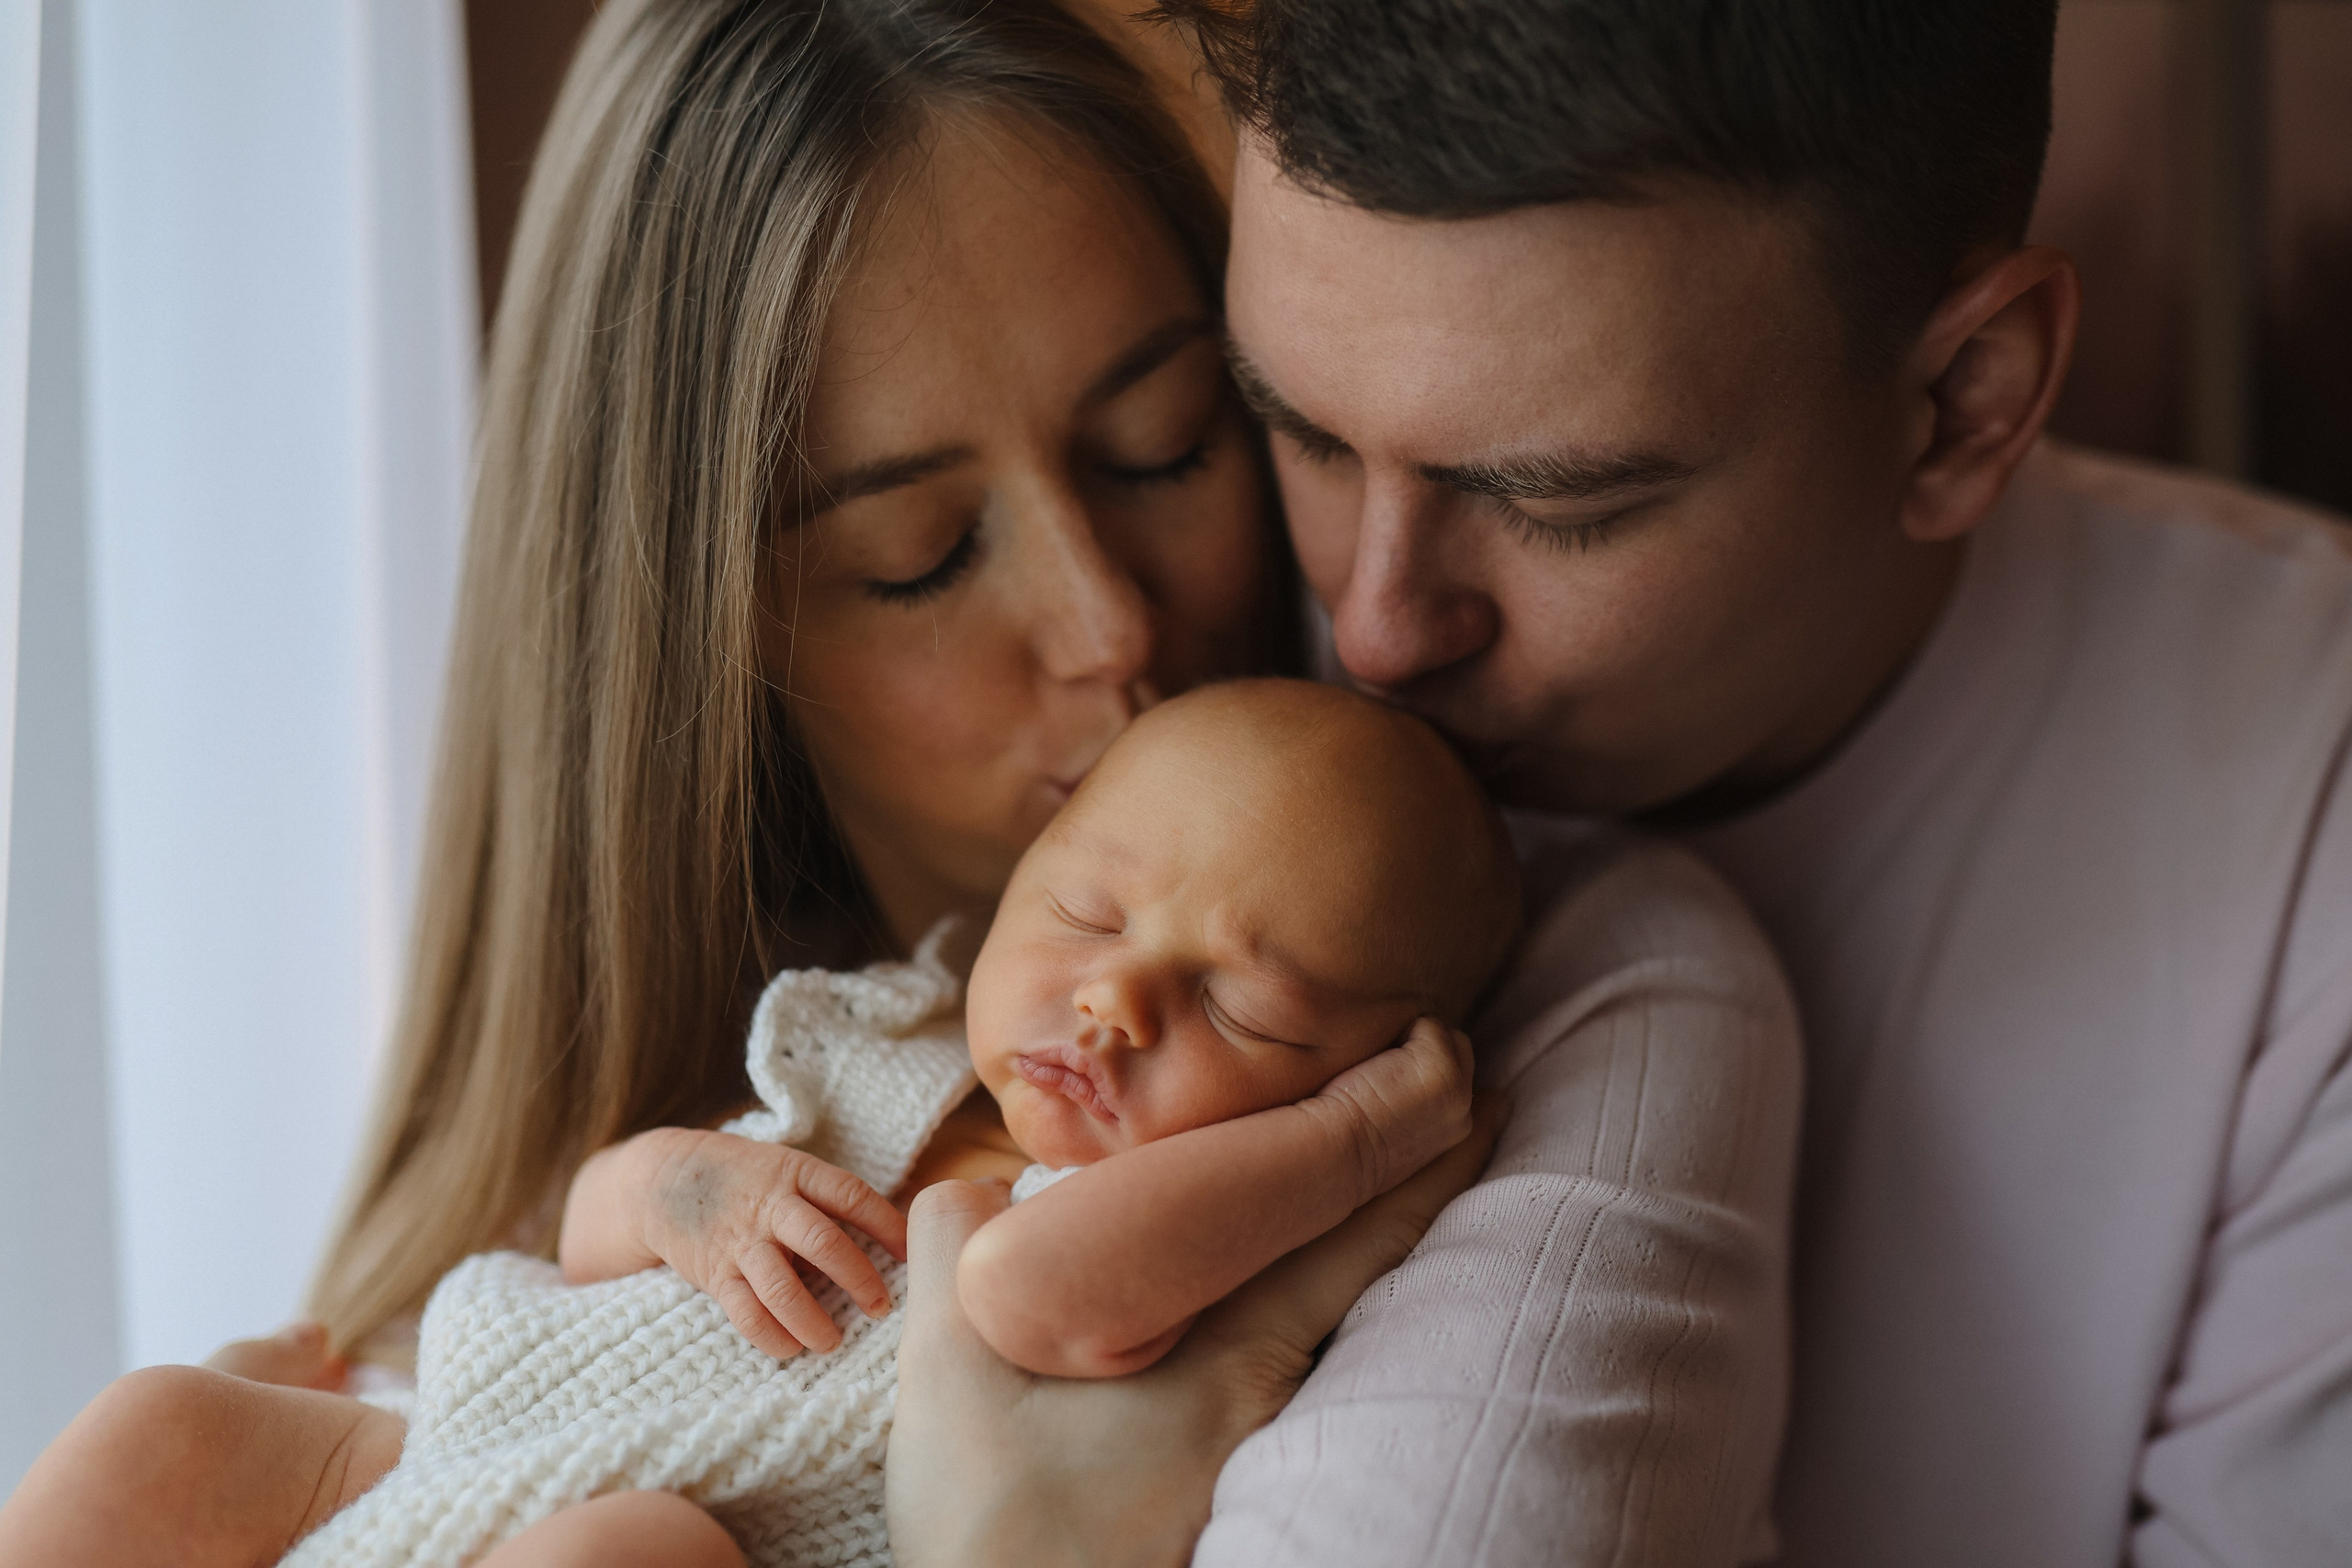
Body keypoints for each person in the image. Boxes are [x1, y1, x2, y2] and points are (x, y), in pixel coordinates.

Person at [3, 1, 1801, 1565]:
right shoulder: (831, 1045)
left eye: (1164, 445)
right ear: (709, 651)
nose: (1108, 624)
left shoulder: (1517, 984)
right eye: (921, 554)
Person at [890, 1, 2352, 1564]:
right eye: (1298, 430)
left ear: (1964, 401)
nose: (1371, 631)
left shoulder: (2307, 839)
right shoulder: (1154, 612)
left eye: (1560, 504)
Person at [3, 682, 1527, 1568]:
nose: (1114, 998)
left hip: (691, 1532)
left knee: (629, 1552)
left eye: (1244, 1013)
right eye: (1087, 909)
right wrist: (682, 1195)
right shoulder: (880, 1037)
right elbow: (585, 1230)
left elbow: (1025, 1294)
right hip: (420, 1448)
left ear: (1342, 1085)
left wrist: (1360, 1149)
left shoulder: (1170, 1236)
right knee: (167, 1429)